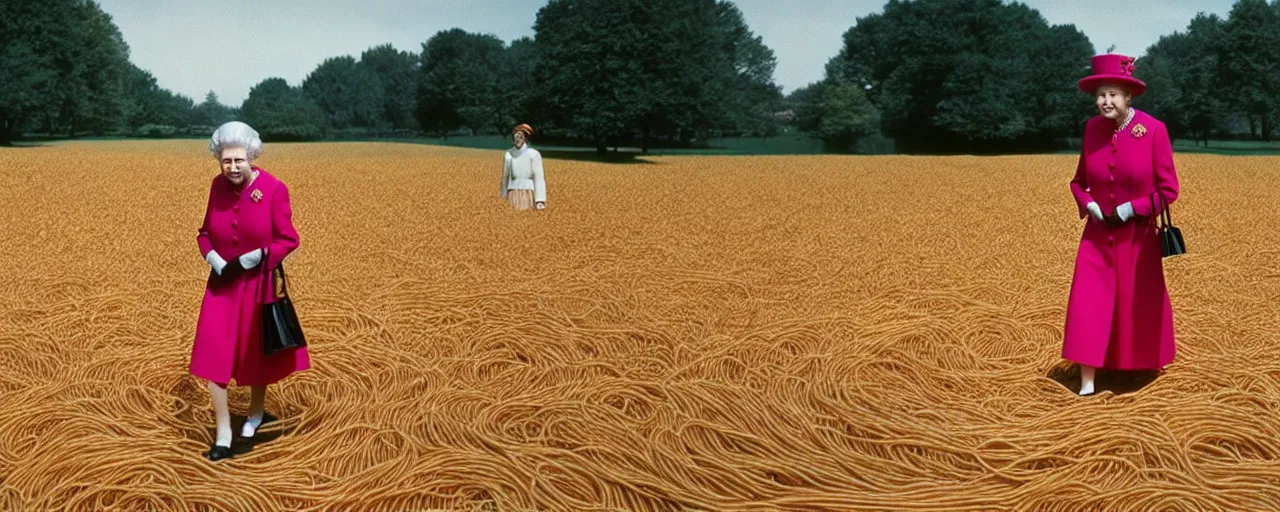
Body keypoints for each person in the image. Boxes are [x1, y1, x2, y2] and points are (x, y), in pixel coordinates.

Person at [190, 121, 309, 460]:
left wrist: (261, 255)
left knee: (256, 352)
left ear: (251, 157)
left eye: (239, 161)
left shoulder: (273, 189)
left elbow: (289, 239)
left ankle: (255, 414)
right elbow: (204, 232)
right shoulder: (217, 186)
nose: (232, 168)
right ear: (219, 160)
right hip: (222, 285)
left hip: (259, 284)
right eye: (226, 161)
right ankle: (224, 431)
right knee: (212, 353)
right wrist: (210, 255)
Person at [1063, 53, 1180, 396]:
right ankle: (1087, 381)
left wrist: (1134, 209)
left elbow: (1168, 191)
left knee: (1135, 304)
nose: (1105, 101)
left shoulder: (1153, 130)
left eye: (1113, 94)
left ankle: (1135, 370)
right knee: (1088, 303)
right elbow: (1077, 181)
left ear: (1128, 97)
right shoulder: (1091, 130)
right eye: (1100, 94)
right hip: (1097, 239)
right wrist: (1089, 204)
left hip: (1138, 240)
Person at [499, 123, 547, 210]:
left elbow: (538, 177)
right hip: (512, 193)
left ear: (526, 138)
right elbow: (505, 178)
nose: (517, 139)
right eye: (515, 136)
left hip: (528, 193)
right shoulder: (508, 154)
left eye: (520, 136)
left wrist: (540, 200)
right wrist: (503, 196)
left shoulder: (534, 154)